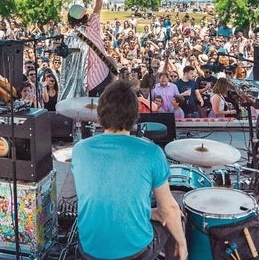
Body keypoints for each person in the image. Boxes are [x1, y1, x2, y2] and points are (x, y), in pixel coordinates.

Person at [71, 80, 187, 260]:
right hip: (135, 254)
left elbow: (108, 198)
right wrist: (182, 243)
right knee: (176, 215)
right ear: (134, 115)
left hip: (89, 250)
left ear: (100, 114)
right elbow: (169, 210)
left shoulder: (80, 150)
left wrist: (149, 213)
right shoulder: (151, 153)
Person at [59, 0, 113, 101]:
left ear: (70, 20)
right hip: (102, 75)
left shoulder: (70, 39)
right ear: (85, 16)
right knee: (106, 109)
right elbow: (98, 7)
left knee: (90, 111)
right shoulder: (92, 26)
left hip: (87, 84)